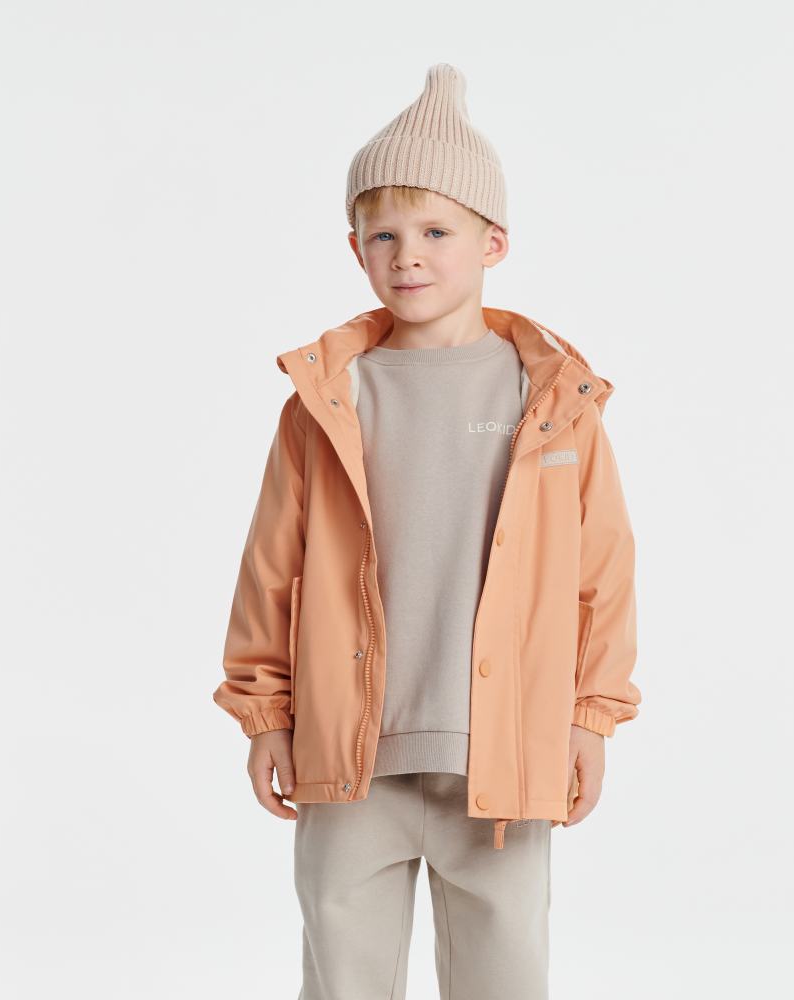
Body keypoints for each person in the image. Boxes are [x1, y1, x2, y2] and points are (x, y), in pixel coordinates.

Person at [212, 62, 642, 1000]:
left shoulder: (554, 400)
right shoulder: (327, 400)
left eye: (436, 232)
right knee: (343, 981)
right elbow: (271, 568)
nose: (408, 255)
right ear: (356, 250)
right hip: (348, 753)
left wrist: (590, 716)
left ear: (494, 243)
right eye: (384, 235)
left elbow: (601, 574)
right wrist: (266, 714)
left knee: (505, 980)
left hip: (503, 753)